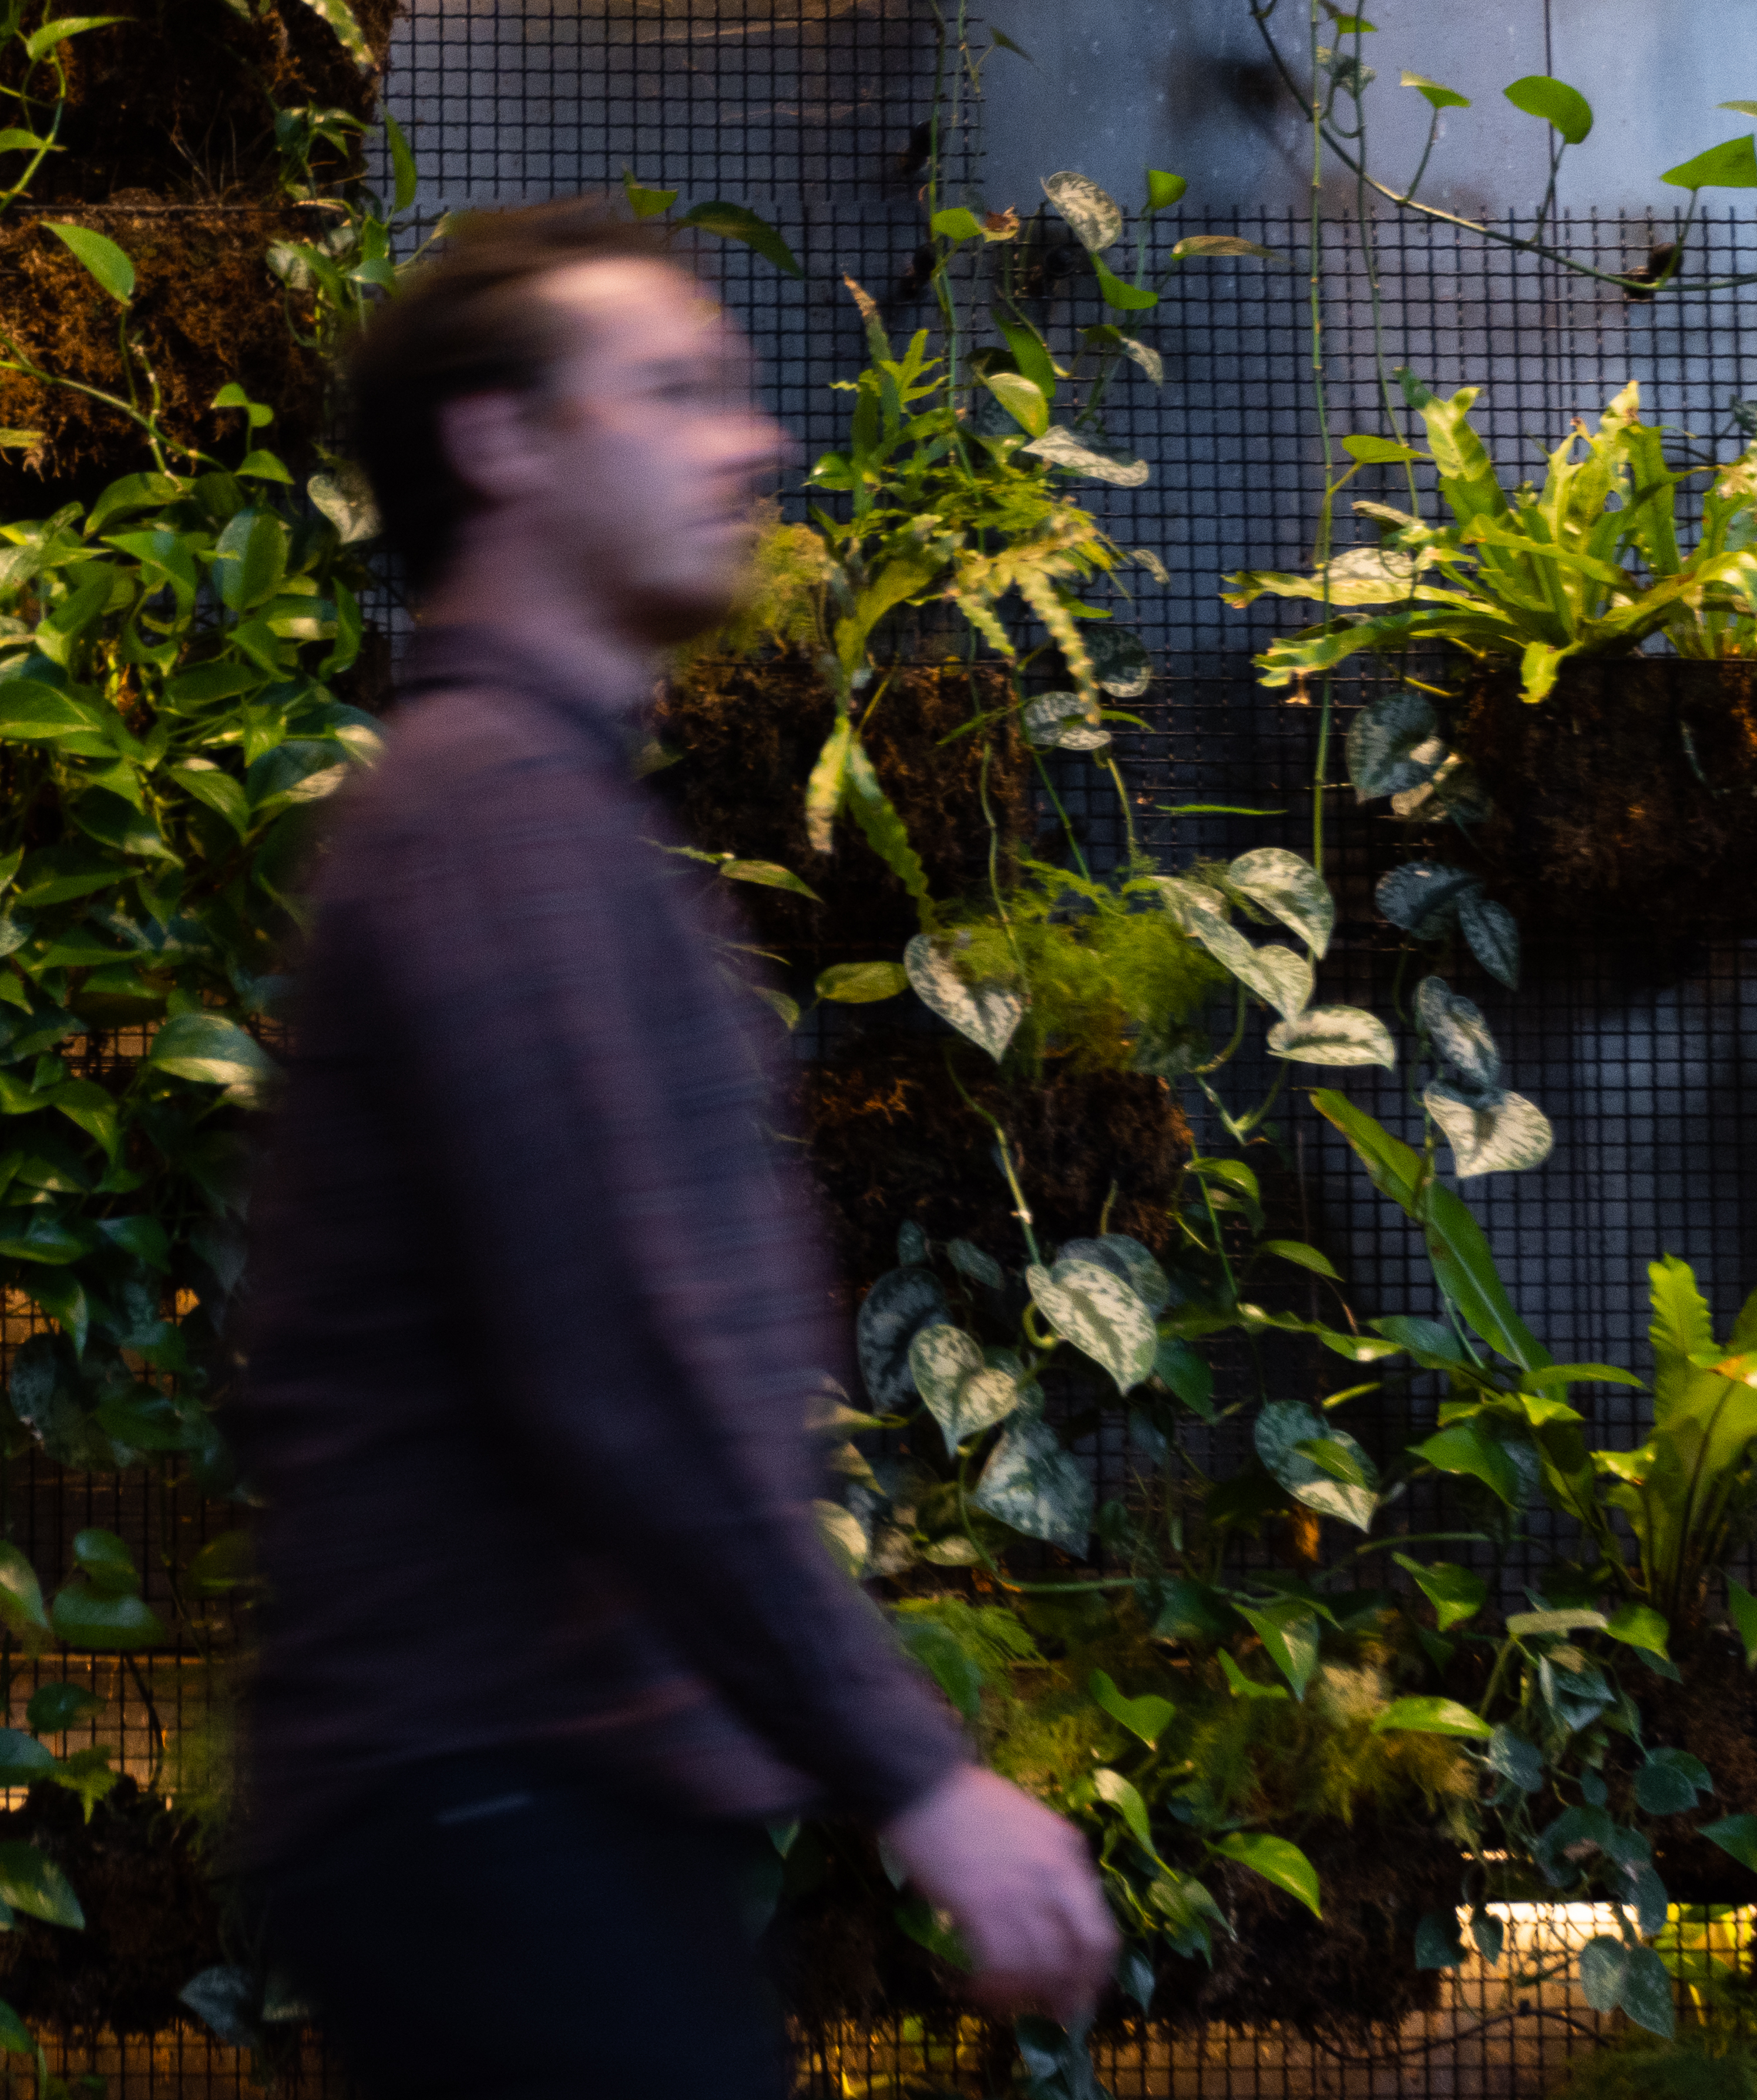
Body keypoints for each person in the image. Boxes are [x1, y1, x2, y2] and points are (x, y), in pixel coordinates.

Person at [231, 201, 1117, 2098]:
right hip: (495, 1805)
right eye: (674, 391)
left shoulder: (529, 811)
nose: (754, 440)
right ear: (504, 443)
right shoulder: (492, 827)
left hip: (524, 1806)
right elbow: (615, 1370)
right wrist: (919, 1778)